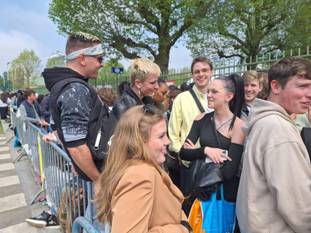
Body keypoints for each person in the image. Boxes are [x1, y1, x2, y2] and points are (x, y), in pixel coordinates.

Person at [236, 57, 311, 233]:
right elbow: (299, 207)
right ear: (276, 86)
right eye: (302, 86)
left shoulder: (264, 122)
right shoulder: (278, 130)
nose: (309, 93)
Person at [96, 105, 192, 233]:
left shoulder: (144, 168)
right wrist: (180, 229)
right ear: (139, 141)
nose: (167, 141)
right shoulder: (139, 175)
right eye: (161, 136)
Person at [179, 74, 245, 223]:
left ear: (229, 96)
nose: (208, 95)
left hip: (224, 194)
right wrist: (206, 151)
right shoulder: (201, 119)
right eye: (208, 91)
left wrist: (197, 154)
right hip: (199, 189)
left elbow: (229, 171)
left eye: (214, 92)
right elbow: (183, 153)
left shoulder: (238, 126)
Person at [168, 56, 213, 190]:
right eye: (197, 72)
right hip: (191, 164)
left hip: (214, 164)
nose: (201, 74)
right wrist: (184, 154)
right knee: (189, 207)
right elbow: (173, 135)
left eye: (205, 70)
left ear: (211, 72)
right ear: (192, 75)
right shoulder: (181, 99)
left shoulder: (218, 96)